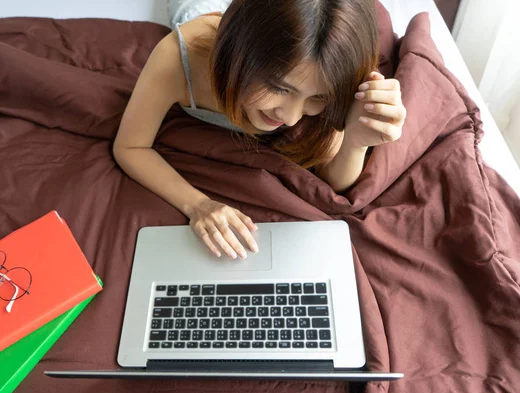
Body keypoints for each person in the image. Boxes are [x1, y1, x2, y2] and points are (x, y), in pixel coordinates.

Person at [113, 0, 406, 260]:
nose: (291, 118)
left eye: (318, 98)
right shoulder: (179, 57)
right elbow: (130, 146)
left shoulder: (328, 60)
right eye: (279, 87)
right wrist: (198, 204)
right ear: (241, 54)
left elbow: (333, 181)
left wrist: (356, 139)